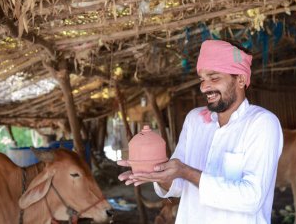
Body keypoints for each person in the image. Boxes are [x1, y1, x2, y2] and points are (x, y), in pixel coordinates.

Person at [118, 40, 283, 224]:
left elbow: (251, 198)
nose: (204, 87)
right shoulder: (195, 120)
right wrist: (156, 173)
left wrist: (186, 172)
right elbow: (179, 185)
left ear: (241, 79)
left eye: (214, 78)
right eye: (202, 79)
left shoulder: (262, 123)